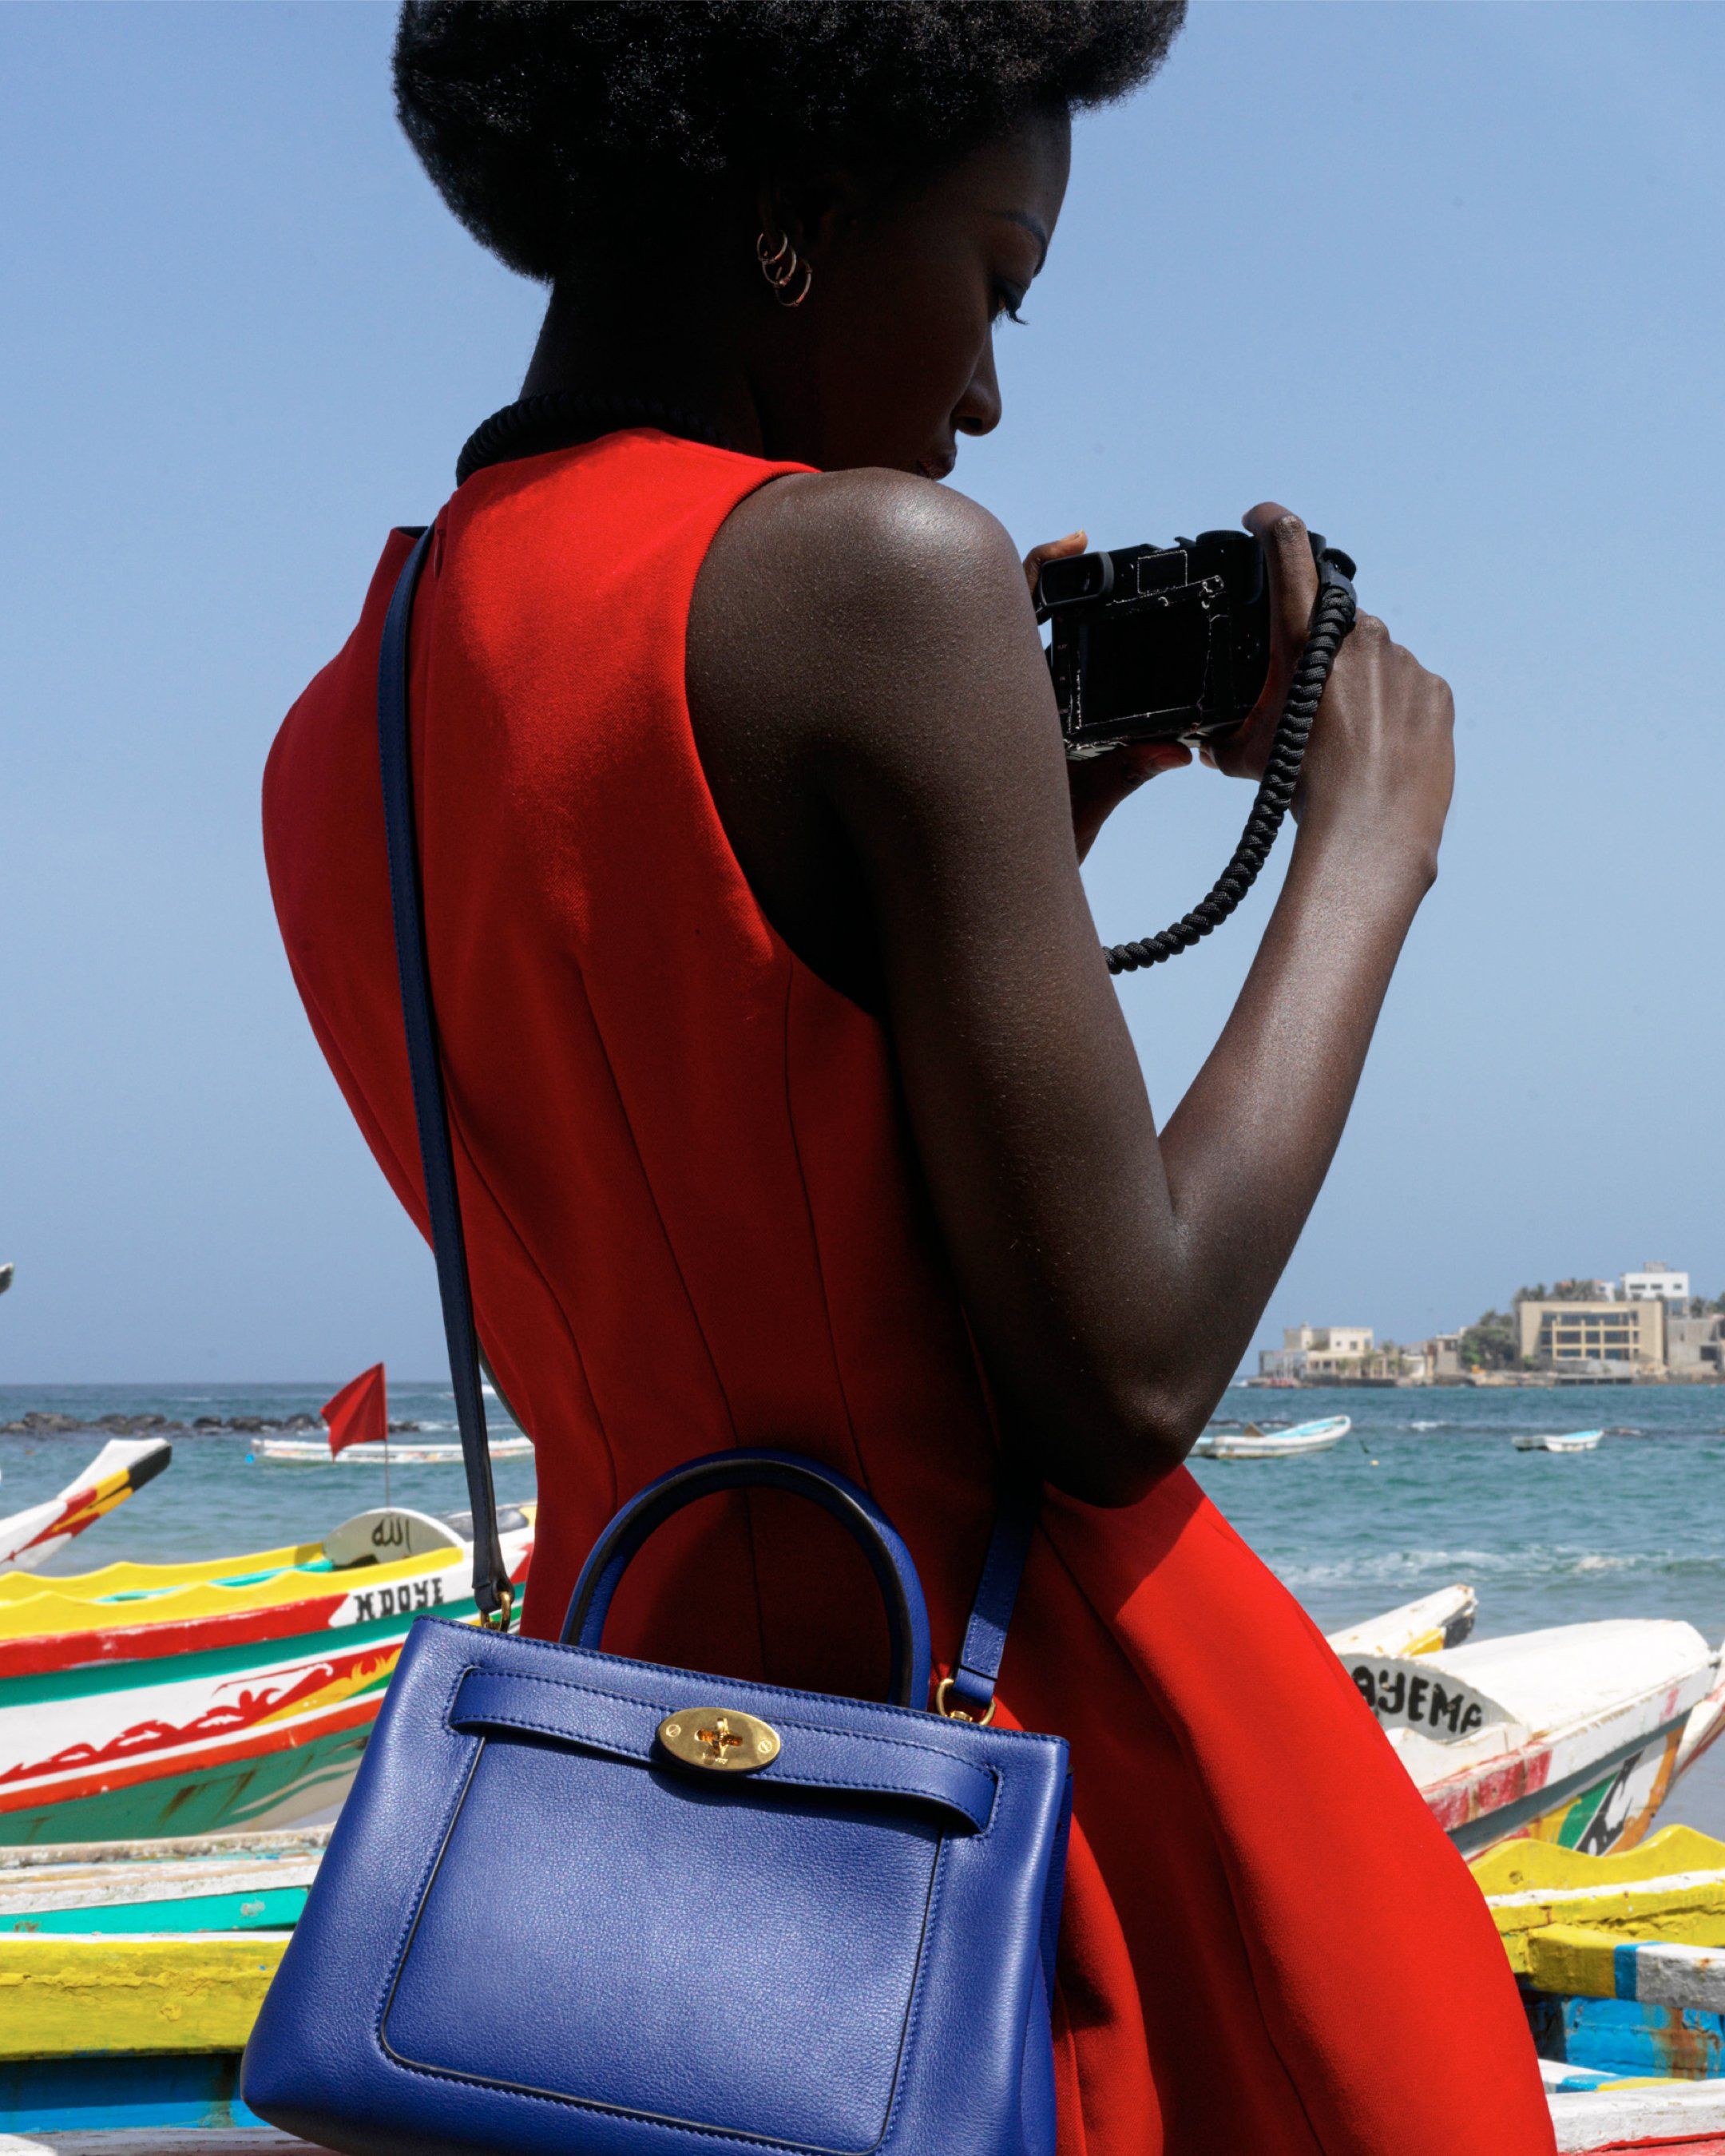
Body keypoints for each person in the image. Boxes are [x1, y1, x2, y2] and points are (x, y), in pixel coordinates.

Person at [263, 5, 1555, 2150]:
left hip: (635, 1786)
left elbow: (733, 1149)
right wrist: (1366, 851)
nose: (980, 394)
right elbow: (1113, 1375)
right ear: (798, 219)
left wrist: (1015, 840)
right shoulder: (879, 583)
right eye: (994, 282)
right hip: (1027, 1809)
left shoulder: (348, 715)